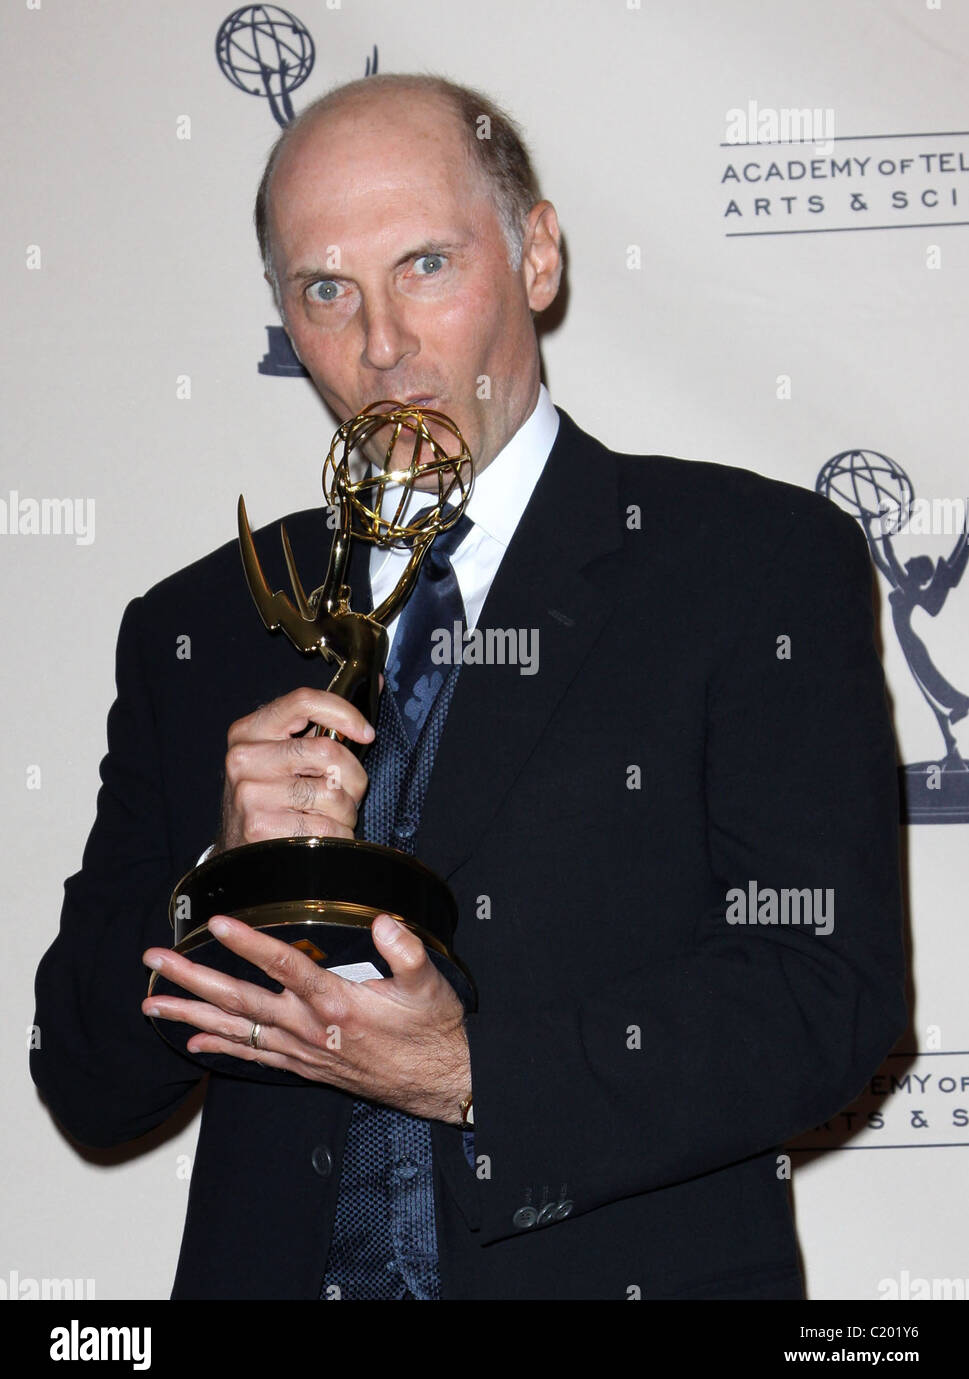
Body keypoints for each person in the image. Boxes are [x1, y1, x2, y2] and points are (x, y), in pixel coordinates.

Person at [31, 73, 907, 1300]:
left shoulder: (748, 565)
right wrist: (213, 882)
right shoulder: (200, 623)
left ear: (536, 256)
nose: (381, 343)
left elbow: (827, 996)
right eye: (326, 289)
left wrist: (473, 1073)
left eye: (427, 265)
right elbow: (83, 1076)